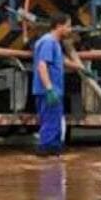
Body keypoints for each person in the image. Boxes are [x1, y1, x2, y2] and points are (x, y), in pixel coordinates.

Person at [33, 13, 72, 156]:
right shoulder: (48, 42)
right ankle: (45, 154)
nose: (70, 30)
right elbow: (42, 65)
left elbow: (62, 61)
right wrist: (49, 89)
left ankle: (54, 158)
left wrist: (81, 69)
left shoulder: (54, 43)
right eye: (68, 26)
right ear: (59, 26)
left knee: (55, 124)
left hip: (54, 91)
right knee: (50, 124)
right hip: (48, 91)